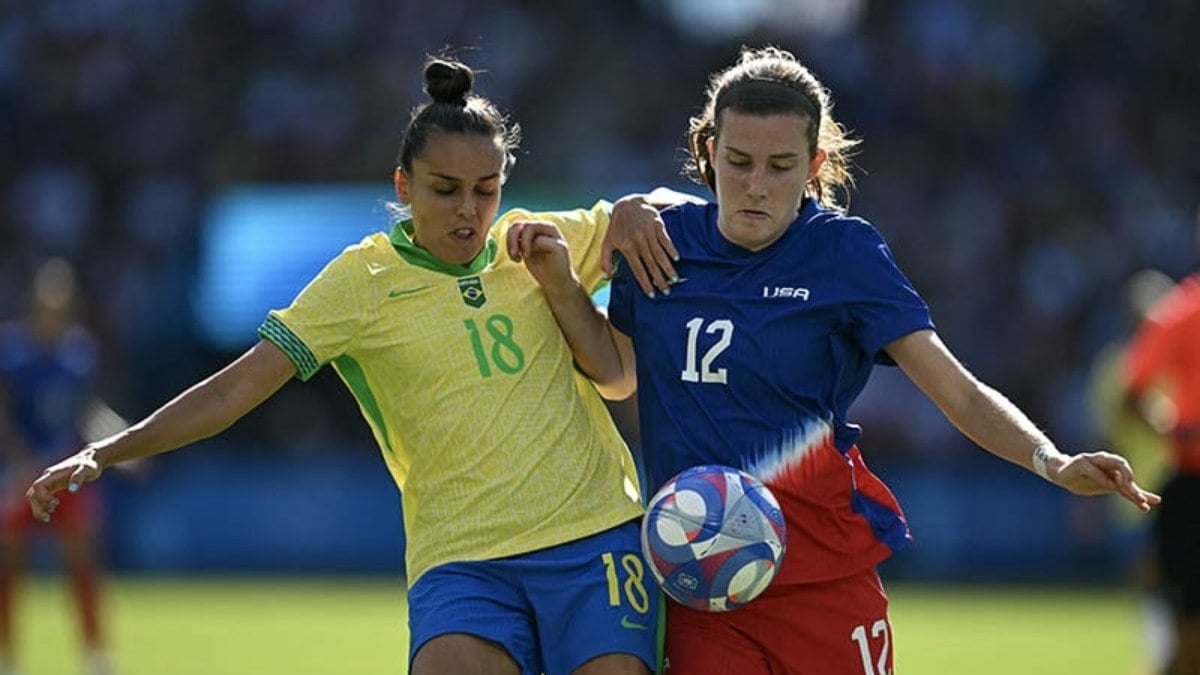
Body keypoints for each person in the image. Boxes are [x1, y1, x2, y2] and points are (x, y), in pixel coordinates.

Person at [522, 45, 1161, 674]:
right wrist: (561, 287)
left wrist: (1050, 460)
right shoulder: (658, 241)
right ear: (709, 152)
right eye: (738, 161)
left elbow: (956, 391)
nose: (755, 185)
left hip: (824, 573)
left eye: (781, 166)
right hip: (701, 577)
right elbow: (617, 373)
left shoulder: (844, 255)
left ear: (814, 164)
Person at [25, 56, 660, 675]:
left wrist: (636, 206)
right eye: (445, 189)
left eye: (485, 189)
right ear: (403, 186)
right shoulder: (361, 282)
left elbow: (683, 215)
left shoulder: (535, 239)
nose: (468, 209)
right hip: (464, 557)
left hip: (594, 536)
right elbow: (239, 387)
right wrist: (110, 450)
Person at [0, 258, 115, 675]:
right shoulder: (12, 350)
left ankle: (94, 654)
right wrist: (19, 461)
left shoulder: (79, 351)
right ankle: (9, 655)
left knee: (82, 558)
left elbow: (87, 411)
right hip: (22, 470)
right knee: (9, 560)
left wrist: (125, 444)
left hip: (66, 471)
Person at [1123, 208, 1200, 675]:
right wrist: (1173, 428)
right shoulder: (1184, 312)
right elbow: (1135, 395)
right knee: (1191, 642)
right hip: (1193, 488)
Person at [1088, 268, 1176, 675]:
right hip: (1140, 493)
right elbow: (1106, 435)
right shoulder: (1120, 367)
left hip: (1174, 487)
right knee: (1156, 588)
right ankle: (1162, 657)